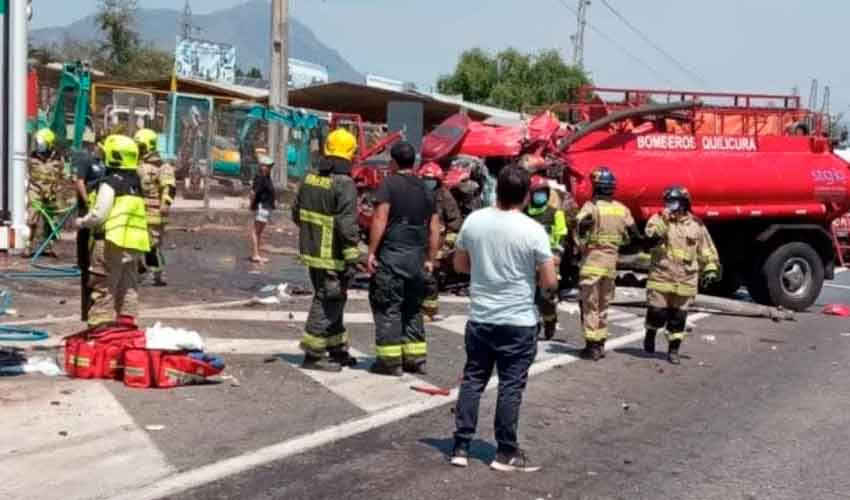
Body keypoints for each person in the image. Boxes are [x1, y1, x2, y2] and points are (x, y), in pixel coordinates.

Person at [450, 165, 558, 472]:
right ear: (525, 196)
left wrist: (486, 270)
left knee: (473, 380)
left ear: (496, 191)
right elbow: (549, 281)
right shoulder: (532, 230)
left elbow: (460, 265)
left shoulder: (474, 221)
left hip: (481, 317)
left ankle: (460, 445)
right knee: (510, 386)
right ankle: (505, 452)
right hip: (518, 321)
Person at [367, 141, 440, 376]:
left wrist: (370, 252)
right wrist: (431, 258)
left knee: (389, 306)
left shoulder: (389, 184)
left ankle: (389, 362)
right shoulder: (426, 190)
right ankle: (415, 358)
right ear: (414, 162)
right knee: (413, 308)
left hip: (392, 257)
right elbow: (434, 228)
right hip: (417, 259)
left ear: (394, 162)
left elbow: (380, 218)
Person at [292, 129, 361, 372]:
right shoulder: (344, 184)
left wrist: (313, 236)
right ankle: (313, 354)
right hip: (333, 256)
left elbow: (296, 213)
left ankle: (336, 348)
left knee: (334, 300)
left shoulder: (308, 177)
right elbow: (346, 224)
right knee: (327, 299)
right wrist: (355, 255)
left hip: (312, 254)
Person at [75, 134, 150, 326]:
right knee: (128, 289)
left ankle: (100, 335)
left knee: (103, 290)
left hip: (110, 243)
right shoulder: (136, 184)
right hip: (133, 247)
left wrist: (83, 222)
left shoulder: (110, 184)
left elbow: (99, 215)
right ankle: (126, 332)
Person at [643, 186, 720, 364]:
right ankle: (651, 332)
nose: (670, 205)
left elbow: (706, 248)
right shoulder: (658, 219)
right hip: (662, 275)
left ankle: (673, 350)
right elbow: (651, 237)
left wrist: (710, 268)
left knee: (678, 317)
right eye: (668, 201)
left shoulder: (696, 225)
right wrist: (664, 218)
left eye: (674, 201)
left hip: (686, 278)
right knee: (657, 313)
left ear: (684, 203)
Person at [575, 166, 641, 361]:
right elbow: (634, 236)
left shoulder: (590, 207)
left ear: (596, 186)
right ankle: (601, 343)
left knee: (590, 306)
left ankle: (591, 347)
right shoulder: (622, 209)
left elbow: (579, 228)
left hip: (592, 264)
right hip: (611, 265)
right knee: (604, 305)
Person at [525, 175, 568, 340]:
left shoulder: (554, 213)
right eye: (537, 192)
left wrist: (558, 254)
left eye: (543, 192)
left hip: (549, 259)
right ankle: (533, 325)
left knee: (546, 296)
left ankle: (550, 321)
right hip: (528, 259)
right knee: (528, 295)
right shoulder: (524, 213)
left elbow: (562, 235)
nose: (540, 196)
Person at [419, 161, 463, 321]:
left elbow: (455, 223)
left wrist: (445, 247)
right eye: (425, 179)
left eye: (431, 180)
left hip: (436, 243)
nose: (428, 182)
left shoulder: (444, 196)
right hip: (417, 243)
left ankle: (429, 311)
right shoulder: (417, 194)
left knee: (430, 279)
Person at [135, 129, 176, 286]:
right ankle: (140, 271)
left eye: (141, 146)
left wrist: (165, 203)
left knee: (152, 245)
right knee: (136, 243)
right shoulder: (138, 164)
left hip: (154, 213)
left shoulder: (162, 166)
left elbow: (169, 187)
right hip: (138, 211)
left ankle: (157, 275)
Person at [26, 128, 64, 257]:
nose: (39, 145)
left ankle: (48, 245)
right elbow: (27, 172)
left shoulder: (58, 158)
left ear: (49, 144)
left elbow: (62, 174)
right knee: (32, 218)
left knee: (51, 219)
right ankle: (28, 245)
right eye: (38, 142)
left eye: (42, 143)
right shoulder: (32, 157)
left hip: (52, 192)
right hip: (35, 190)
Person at [250, 155, 276, 263]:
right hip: (261, 207)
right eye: (267, 166)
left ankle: (257, 254)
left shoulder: (266, 177)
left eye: (270, 166)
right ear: (262, 166)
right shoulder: (260, 177)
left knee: (259, 232)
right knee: (256, 231)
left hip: (266, 207)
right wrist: (252, 205)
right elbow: (253, 192)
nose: (269, 168)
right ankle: (255, 254)